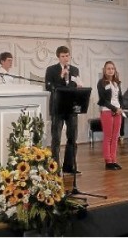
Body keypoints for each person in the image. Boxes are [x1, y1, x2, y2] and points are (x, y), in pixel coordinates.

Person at [44, 46, 82, 174]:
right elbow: (49, 87)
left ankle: (69, 166)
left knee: (72, 138)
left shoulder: (75, 70)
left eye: (67, 55)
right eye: (63, 56)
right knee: (56, 139)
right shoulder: (51, 70)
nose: (66, 58)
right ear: (58, 57)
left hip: (71, 107)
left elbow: (74, 85)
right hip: (57, 107)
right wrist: (61, 77)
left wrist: (78, 84)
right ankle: (55, 167)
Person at [97, 61, 125, 170]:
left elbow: (120, 97)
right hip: (107, 111)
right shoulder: (101, 82)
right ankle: (108, 161)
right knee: (108, 137)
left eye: (112, 68)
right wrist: (114, 109)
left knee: (115, 137)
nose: (110, 70)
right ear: (104, 70)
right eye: (108, 68)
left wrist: (121, 108)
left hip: (118, 111)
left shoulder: (116, 82)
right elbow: (103, 100)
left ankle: (114, 159)